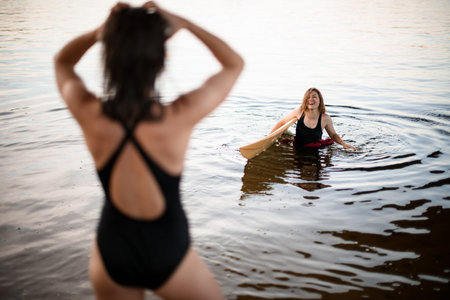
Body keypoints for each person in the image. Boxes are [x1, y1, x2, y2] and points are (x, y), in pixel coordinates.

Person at [54, 1, 243, 299]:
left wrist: (99, 33)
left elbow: (62, 62)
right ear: (160, 60)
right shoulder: (179, 115)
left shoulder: (90, 113)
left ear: (109, 57)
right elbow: (234, 63)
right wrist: (184, 23)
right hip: (168, 249)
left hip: (112, 251)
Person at [270, 88, 357, 150]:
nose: (311, 99)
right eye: (308, 97)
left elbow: (333, 135)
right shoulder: (300, 111)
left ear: (320, 101)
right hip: (297, 148)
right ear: (305, 100)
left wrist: (343, 144)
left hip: (315, 150)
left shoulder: (325, 118)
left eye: (314, 97)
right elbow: (282, 122)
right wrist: (269, 136)